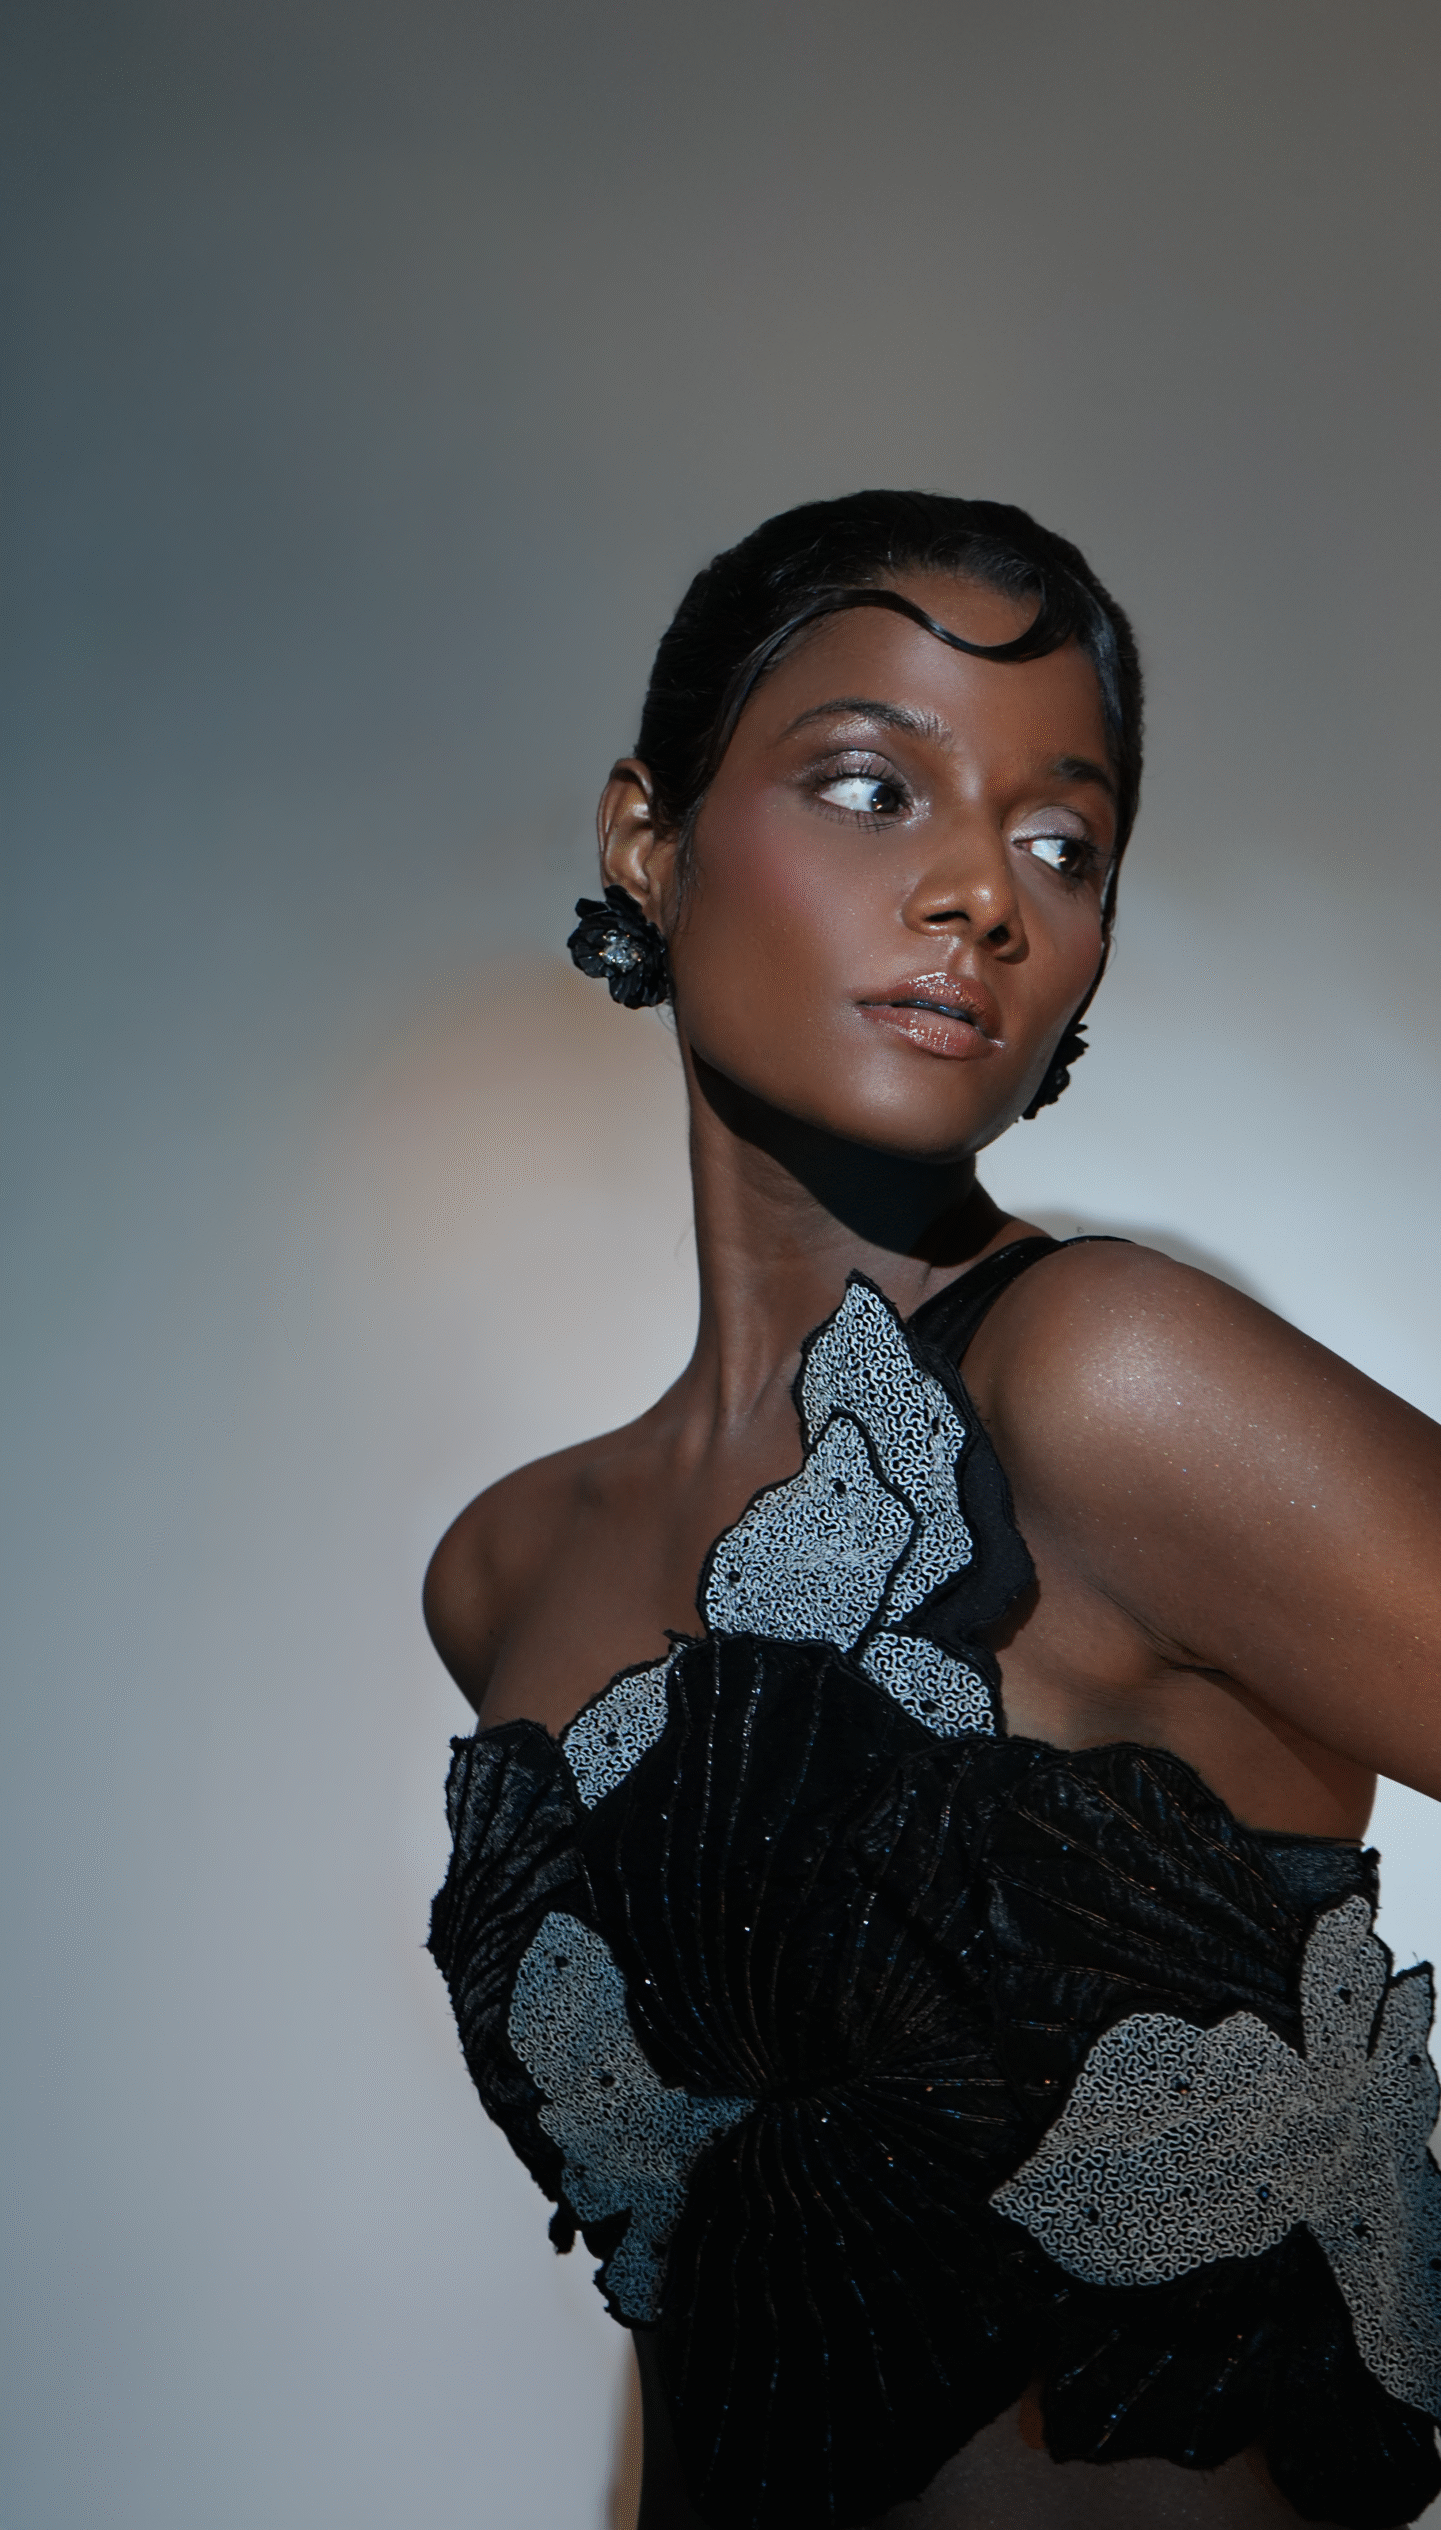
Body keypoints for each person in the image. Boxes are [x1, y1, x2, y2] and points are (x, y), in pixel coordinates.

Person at [423, 492, 1441, 2529]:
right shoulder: (510, 1569)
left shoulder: (1110, 1384)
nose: (981, 891)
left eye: (1063, 843)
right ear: (650, 836)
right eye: (874, 788)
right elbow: (704, 2295)